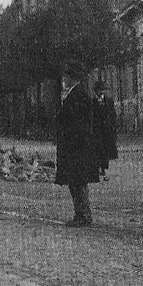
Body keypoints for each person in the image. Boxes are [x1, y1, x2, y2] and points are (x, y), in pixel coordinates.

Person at [54, 62, 101, 227]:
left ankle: (83, 215)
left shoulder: (78, 95)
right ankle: (81, 214)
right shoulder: (76, 94)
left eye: (65, 77)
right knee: (76, 181)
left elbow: (76, 121)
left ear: (71, 78)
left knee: (77, 181)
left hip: (76, 145)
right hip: (75, 144)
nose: (63, 80)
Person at [92, 80, 118, 181]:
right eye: (98, 91)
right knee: (98, 149)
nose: (100, 93)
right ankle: (98, 167)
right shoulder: (92, 102)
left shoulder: (109, 101)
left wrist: (112, 127)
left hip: (107, 130)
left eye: (102, 91)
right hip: (97, 130)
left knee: (106, 150)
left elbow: (112, 115)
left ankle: (104, 167)